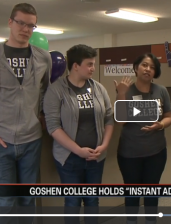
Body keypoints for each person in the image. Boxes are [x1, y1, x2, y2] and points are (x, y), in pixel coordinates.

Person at [0, 3, 51, 224]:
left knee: (28, 201)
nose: (26, 29)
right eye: (21, 23)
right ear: (10, 22)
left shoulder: (42, 57)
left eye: (31, 26)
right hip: (0, 142)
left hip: (31, 141)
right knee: (5, 203)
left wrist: (44, 118)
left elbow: (46, 92)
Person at [43, 44, 114, 224]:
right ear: (75, 66)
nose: (93, 68)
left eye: (93, 64)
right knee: (73, 200)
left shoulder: (98, 88)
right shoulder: (56, 90)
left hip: (96, 157)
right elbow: (53, 127)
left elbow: (109, 118)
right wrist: (78, 150)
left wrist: (104, 145)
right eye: (89, 64)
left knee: (92, 199)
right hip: (69, 158)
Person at [114, 53, 171, 224]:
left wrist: (161, 125)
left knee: (151, 192)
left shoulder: (161, 91)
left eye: (152, 67)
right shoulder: (126, 89)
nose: (148, 69)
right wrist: (121, 94)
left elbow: (168, 116)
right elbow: (121, 120)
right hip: (129, 154)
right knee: (132, 194)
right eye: (144, 65)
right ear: (136, 68)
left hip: (156, 152)